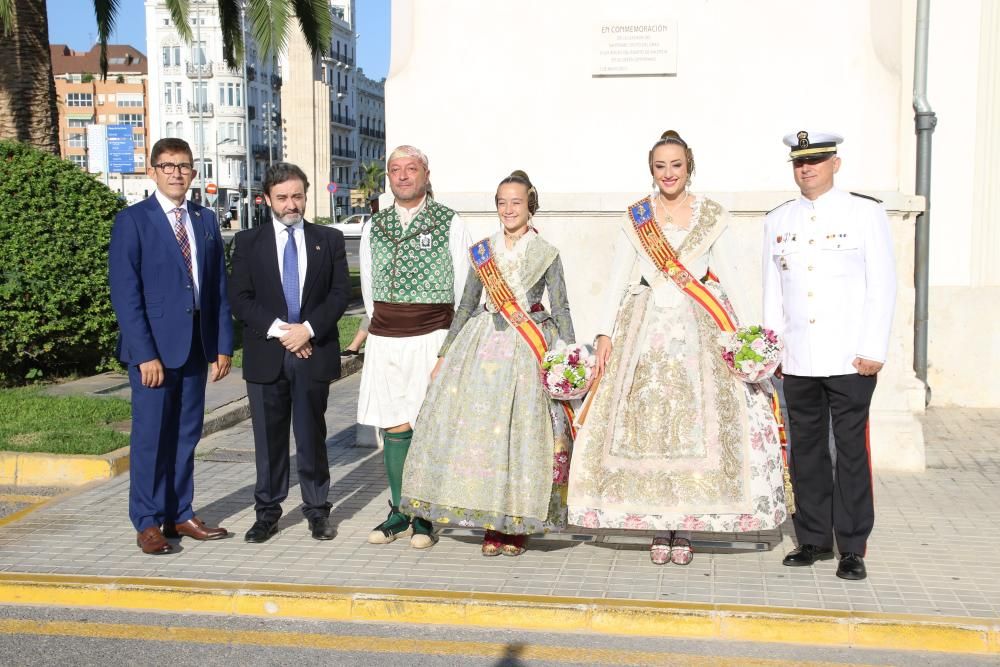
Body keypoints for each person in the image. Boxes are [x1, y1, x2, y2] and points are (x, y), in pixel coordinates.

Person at [567, 130, 787, 565]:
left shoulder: (711, 216)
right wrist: (605, 333)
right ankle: (655, 522)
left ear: (690, 167)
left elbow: (732, 275)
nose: (669, 173)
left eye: (676, 165)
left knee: (696, 424)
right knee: (648, 424)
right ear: (652, 171)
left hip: (699, 326)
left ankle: (686, 526)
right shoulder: (637, 217)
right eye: (660, 166)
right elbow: (616, 277)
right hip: (644, 326)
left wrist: (749, 337)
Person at [401, 171, 575, 557]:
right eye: (501, 202)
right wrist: (445, 354)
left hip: (527, 349)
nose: (508, 209)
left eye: (516, 202)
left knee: (520, 437)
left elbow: (561, 306)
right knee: (484, 436)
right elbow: (465, 305)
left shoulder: (546, 252)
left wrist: (568, 356)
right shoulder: (483, 251)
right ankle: (490, 522)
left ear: (530, 204)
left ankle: (517, 524)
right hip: (481, 350)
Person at [763, 131, 896, 581]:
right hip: (799, 358)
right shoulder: (778, 219)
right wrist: (771, 349)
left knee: (851, 453)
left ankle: (852, 546)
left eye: (816, 160)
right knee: (806, 452)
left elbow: (882, 284)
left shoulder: (865, 212)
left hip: (850, 359)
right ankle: (814, 539)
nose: (807, 168)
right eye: (800, 162)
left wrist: (873, 348)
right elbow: (772, 291)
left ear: (835, 163)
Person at [109, 137, 234, 555]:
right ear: (153, 171)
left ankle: (179, 513)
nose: (176, 173)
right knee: (150, 438)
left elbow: (217, 287)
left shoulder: (204, 219)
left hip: (197, 347)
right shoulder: (134, 221)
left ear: (194, 173)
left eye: (183, 166)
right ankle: (146, 521)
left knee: (185, 435)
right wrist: (145, 354)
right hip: (154, 354)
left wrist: (222, 345)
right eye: (167, 166)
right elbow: (126, 295)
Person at [228, 162, 351, 543]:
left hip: (313, 351)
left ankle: (317, 511)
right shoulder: (248, 242)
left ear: (306, 196)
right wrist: (285, 332)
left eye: (297, 195)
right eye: (282, 197)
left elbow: (339, 294)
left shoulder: (328, 239)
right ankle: (267, 513)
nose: (291, 204)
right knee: (268, 439)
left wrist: (308, 330)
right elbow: (240, 299)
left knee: (312, 435)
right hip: (268, 352)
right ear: (267, 200)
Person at [357, 145, 472, 549]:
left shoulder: (449, 222)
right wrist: (381, 325)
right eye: (395, 170)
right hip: (387, 337)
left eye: (411, 169)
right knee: (393, 422)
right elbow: (368, 287)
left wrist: (451, 346)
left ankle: (425, 515)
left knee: (428, 425)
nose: (403, 176)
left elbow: (465, 287)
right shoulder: (376, 225)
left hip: (432, 334)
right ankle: (399, 510)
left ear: (426, 174)